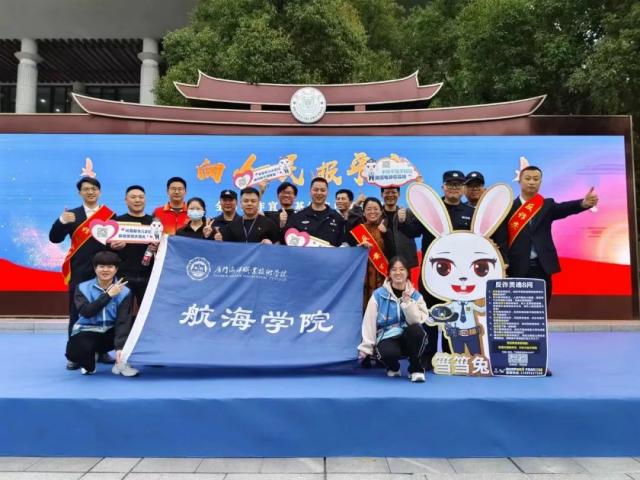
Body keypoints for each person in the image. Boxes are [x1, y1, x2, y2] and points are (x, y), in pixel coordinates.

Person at [398, 171, 475, 367]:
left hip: (460, 276)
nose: (454, 188)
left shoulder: (470, 211)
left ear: (463, 189)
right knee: (430, 314)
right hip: (432, 273)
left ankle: (452, 353)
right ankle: (428, 355)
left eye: (458, 184)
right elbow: (413, 232)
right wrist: (403, 221)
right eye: (450, 184)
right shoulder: (432, 208)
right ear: (443, 187)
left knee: (455, 313)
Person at [505, 165, 599, 304]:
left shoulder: (546, 205)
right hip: (515, 265)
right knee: (517, 308)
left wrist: (583, 203)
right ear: (520, 181)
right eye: (528, 178)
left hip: (541, 266)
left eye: (536, 179)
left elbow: (564, 208)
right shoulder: (508, 207)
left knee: (541, 306)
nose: (531, 182)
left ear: (540, 182)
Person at [49, 177, 115, 369]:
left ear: (99, 192)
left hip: (104, 271)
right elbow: (54, 238)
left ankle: (102, 350)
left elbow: (114, 244)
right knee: (77, 312)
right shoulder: (72, 215)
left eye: (94, 188)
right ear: (80, 193)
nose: (90, 192)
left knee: (105, 311)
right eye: (86, 189)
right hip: (79, 271)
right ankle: (75, 355)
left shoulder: (110, 215)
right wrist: (61, 221)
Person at [65, 251, 138, 377]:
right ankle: (90, 358)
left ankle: (121, 362)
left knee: (135, 324)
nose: (105, 270)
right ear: (95, 268)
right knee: (74, 354)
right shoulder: (82, 288)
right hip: (88, 330)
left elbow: (122, 321)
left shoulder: (125, 291)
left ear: (116, 269)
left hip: (110, 332)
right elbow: (87, 312)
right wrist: (108, 295)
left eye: (110, 266)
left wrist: (120, 348)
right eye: (101, 266)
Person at [358, 256, 429, 383]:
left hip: (409, 337)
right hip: (387, 336)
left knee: (416, 331)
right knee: (387, 353)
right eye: (394, 269)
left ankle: (416, 368)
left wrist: (408, 303)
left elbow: (417, 321)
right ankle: (393, 366)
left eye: (402, 269)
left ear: (407, 272)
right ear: (389, 273)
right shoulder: (378, 295)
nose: (398, 273)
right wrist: (366, 348)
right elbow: (369, 322)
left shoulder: (416, 296)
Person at [110, 185, 156, 312]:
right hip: (122, 275)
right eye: (133, 197)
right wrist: (113, 247)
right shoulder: (116, 222)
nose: (137, 200)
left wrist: (157, 248)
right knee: (122, 312)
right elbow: (106, 249)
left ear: (145, 200)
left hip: (148, 275)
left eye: (141, 197)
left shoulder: (155, 223)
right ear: (126, 200)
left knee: (148, 312)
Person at [347, 197, 387, 308]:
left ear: (381, 211)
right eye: (369, 209)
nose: (372, 212)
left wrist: (386, 234)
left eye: (376, 209)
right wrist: (359, 248)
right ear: (363, 213)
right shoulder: (358, 230)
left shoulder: (386, 228)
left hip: (382, 273)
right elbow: (350, 250)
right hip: (363, 274)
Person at [285, 177, 346, 246]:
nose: (319, 193)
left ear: (327, 193)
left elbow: (342, 245)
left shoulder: (337, 218)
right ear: (310, 192)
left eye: (323, 190)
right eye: (316, 190)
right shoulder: (297, 216)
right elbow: (288, 241)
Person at [379, 186, 419, 270]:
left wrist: (403, 222)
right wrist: (356, 206)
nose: (390, 195)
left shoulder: (408, 213)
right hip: (381, 263)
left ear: (399, 194)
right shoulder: (376, 215)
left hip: (404, 264)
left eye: (393, 192)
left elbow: (416, 233)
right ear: (382, 194)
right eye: (387, 192)